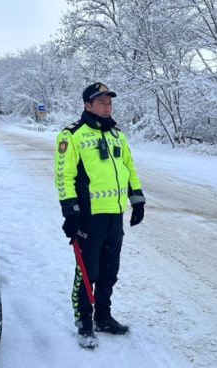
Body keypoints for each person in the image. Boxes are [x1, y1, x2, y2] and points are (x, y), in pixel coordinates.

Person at [54, 82, 146, 350]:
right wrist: (71, 214)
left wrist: (137, 201)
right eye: (101, 102)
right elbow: (64, 176)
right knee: (87, 272)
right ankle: (84, 323)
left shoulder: (117, 135)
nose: (107, 107)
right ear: (87, 105)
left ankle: (103, 317)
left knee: (109, 271)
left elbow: (130, 169)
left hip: (114, 217)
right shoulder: (71, 135)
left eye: (109, 102)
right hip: (88, 218)